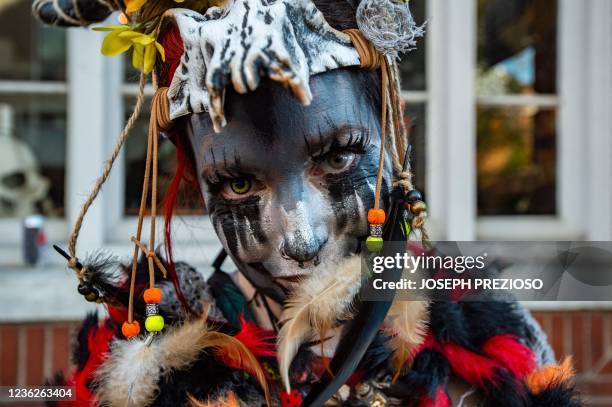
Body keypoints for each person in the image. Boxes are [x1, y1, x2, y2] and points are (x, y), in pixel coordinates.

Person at [34, 0, 580, 405]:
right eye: (240, 184)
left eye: (338, 156)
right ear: (199, 182)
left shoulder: (489, 335)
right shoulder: (142, 362)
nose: (300, 236)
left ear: (390, 139)